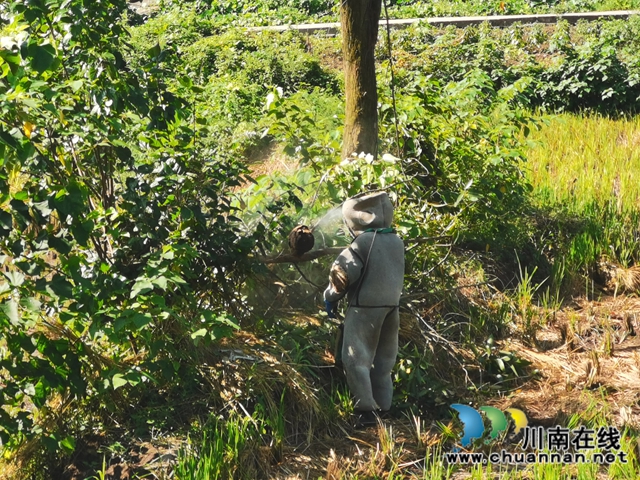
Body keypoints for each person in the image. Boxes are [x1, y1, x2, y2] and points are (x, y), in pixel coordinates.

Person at [324, 192, 405, 426]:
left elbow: (342, 275)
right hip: (392, 308)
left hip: (365, 308)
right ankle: (384, 407)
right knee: (383, 361)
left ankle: (365, 412)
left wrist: (330, 297)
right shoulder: (396, 241)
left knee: (355, 359)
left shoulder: (363, 243)